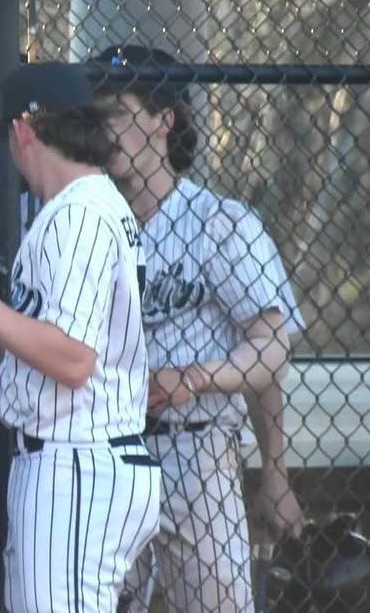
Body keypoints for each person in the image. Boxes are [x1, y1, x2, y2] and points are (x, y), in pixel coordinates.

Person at [0, 62, 161, 613]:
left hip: (76, 463)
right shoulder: (87, 205)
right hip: (82, 460)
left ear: (22, 131)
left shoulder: (77, 214)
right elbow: (32, 348)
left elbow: (69, 359)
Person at [93, 44, 304, 613]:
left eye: (117, 109)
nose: (103, 125)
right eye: (97, 112)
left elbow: (269, 349)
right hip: (103, 454)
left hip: (198, 451)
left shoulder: (220, 223)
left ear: (166, 120)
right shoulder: (83, 223)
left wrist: (274, 473)